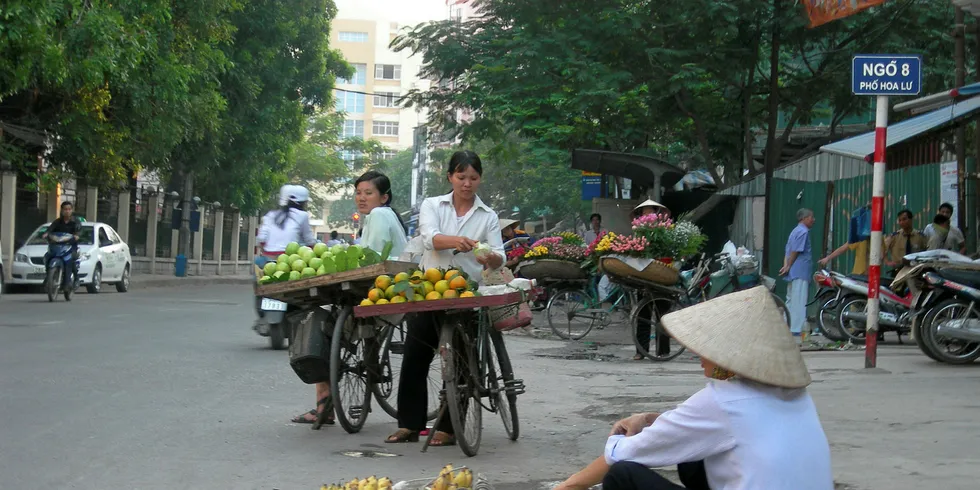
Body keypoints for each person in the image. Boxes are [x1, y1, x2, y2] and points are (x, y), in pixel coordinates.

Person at [555, 286, 833, 490]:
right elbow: (705, 428)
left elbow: (622, 454)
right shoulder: (795, 394)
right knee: (692, 458)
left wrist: (569, 486)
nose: (699, 357)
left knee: (622, 475)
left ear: (729, 355)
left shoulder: (723, 401)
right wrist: (650, 420)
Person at [385, 150, 505, 446]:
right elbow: (429, 237)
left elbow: (499, 256)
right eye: (461, 177)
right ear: (450, 177)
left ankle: (450, 428)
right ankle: (409, 424)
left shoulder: (487, 216)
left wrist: (488, 257)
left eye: (473, 178)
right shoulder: (432, 205)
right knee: (416, 356)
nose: (467, 183)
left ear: (480, 180)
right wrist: (456, 242)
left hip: (466, 292)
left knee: (463, 361)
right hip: (430, 288)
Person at [291, 172, 408, 426]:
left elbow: (371, 259)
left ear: (384, 197)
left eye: (368, 193)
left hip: (382, 298)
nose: (361, 198)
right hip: (388, 295)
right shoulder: (384, 217)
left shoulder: (378, 215)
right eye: (358, 192)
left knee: (316, 322)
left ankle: (324, 402)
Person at [779, 208, 815, 344]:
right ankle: (796, 327)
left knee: (791, 298)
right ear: (804, 218)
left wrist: (786, 265)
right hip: (799, 270)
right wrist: (788, 265)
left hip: (793, 270)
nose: (813, 220)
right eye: (811, 217)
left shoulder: (795, 231)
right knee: (799, 299)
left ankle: (787, 324)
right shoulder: (803, 232)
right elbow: (796, 251)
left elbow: (787, 250)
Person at [42, 201, 83, 288]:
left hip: (70, 247)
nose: (67, 211)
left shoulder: (76, 221)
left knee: (70, 259)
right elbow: (50, 229)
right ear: (61, 210)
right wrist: (46, 234)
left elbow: (79, 231)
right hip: (57, 246)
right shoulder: (57, 222)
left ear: (72, 210)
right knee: (47, 256)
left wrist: (77, 236)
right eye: (65, 209)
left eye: (69, 209)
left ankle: (75, 278)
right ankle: (48, 276)